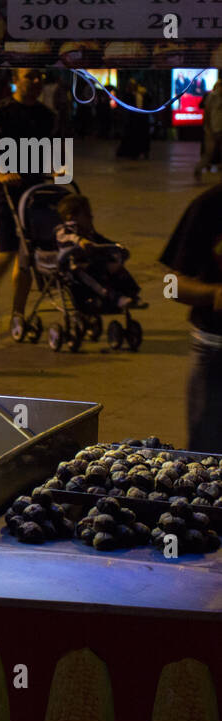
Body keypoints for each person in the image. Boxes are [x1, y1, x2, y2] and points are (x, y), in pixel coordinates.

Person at [0, 68, 56, 327]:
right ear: (15, 80)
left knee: (28, 255)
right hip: (4, 192)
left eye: (40, 77)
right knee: (5, 251)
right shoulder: (1, 111)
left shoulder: (47, 116)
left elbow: (52, 151)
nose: (36, 82)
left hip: (35, 192)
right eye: (30, 76)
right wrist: (0, 172)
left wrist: (56, 169)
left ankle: (18, 314)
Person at [160, 183, 222, 452]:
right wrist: (214, 293)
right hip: (216, 354)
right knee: (207, 457)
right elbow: (171, 285)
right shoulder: (210, 205)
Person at [54, 194, 142, 310]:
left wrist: (118, 248)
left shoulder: (89, 233)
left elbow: (103, 241)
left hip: (94, 263)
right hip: (76, 268)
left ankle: (131, 293)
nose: (91, 216)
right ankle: (116, 298)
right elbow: (67, 238)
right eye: (86, 214)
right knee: (92, 277)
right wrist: (80, 241)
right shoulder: (65, 231)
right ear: (71, 218)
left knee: (116, 267)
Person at [115, 80, 151, 160]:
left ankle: (144, 152)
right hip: (132, 118)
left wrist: (145, 93)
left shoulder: (141, 94)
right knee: (131, 135)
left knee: (143, 136)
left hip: (142, 118)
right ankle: (132, 153)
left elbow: (148, 102)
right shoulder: (128, 95)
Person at [195, 79, 222, 180]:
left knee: (209, 153)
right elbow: (207, 112)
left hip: (215, 127)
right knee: (209, 153)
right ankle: (198, 169)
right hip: (212, 128)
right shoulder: (212, 96)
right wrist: (207, 127)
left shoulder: (213, 96)